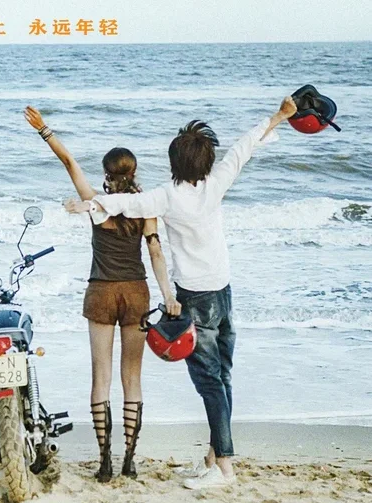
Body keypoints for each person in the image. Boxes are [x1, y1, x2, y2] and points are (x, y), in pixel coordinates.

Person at [64, 97, 298, 489]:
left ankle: (224, 467)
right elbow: (244, 147)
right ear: (207, 161)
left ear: (174, 163)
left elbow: (125, 203)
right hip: (223, 293)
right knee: (222, 377)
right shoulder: (217, 182)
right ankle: (213, 457)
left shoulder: (167, 196)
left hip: (195, 299)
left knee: (209, 383)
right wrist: (278, 117)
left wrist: (88, 206)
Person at [24, 106, 181, 482]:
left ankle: (105, 462)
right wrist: (168, 294)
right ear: (134, 173)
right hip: (136, 293)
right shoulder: (145, 210)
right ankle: (129, 459)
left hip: (101, 293)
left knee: (101, 378)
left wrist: (44, 130)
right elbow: (156, 253)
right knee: (132, 378)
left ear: (108, 176)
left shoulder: (96, 204)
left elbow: (68, 161)